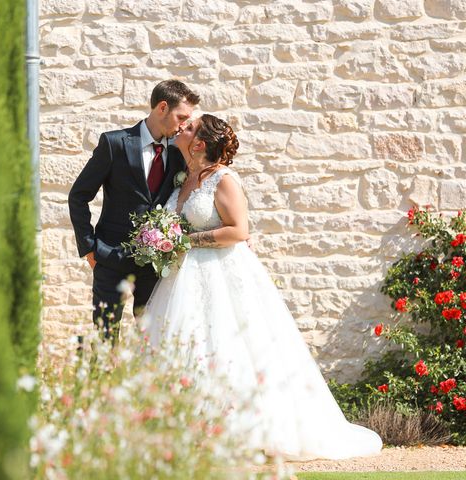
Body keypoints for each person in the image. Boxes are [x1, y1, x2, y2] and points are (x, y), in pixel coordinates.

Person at [140, 114, 383, 461]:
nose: (183, 128)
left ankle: (239, 431)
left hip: (220, 273)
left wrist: (184, 240)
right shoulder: (184, 179)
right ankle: (185, 429)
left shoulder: (222, 179)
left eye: (190, 127)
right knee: (188, 345)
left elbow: (238, 231)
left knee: (228, 347)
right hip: (182, 277)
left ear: (199, 144)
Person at [68, 79, 200, 342]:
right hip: (109, 256)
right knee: (105, 339)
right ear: (163, 107)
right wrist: (89, 248)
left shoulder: (177, 154)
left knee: (151, 338)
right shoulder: (114, 143)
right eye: (181, 117)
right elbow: (79, 196)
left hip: (155, 264)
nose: (184, 125)